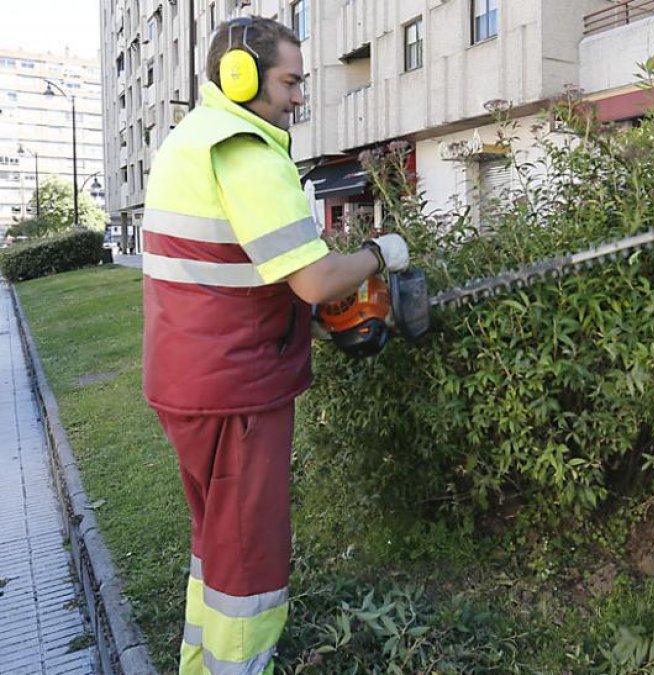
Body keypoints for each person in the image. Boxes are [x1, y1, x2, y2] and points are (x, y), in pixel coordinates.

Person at [140, 16, 408, 674]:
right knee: (248, 561)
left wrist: (308, 322)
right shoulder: (244, 149)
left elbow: (239, 273)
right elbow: (315, 277)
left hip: (194, 379)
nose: (298, 97)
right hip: (238, 390)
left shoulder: (193, 138)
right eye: (290, 81)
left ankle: (200, 665)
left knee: (215, 542)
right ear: (241, 76)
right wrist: (379, 253)